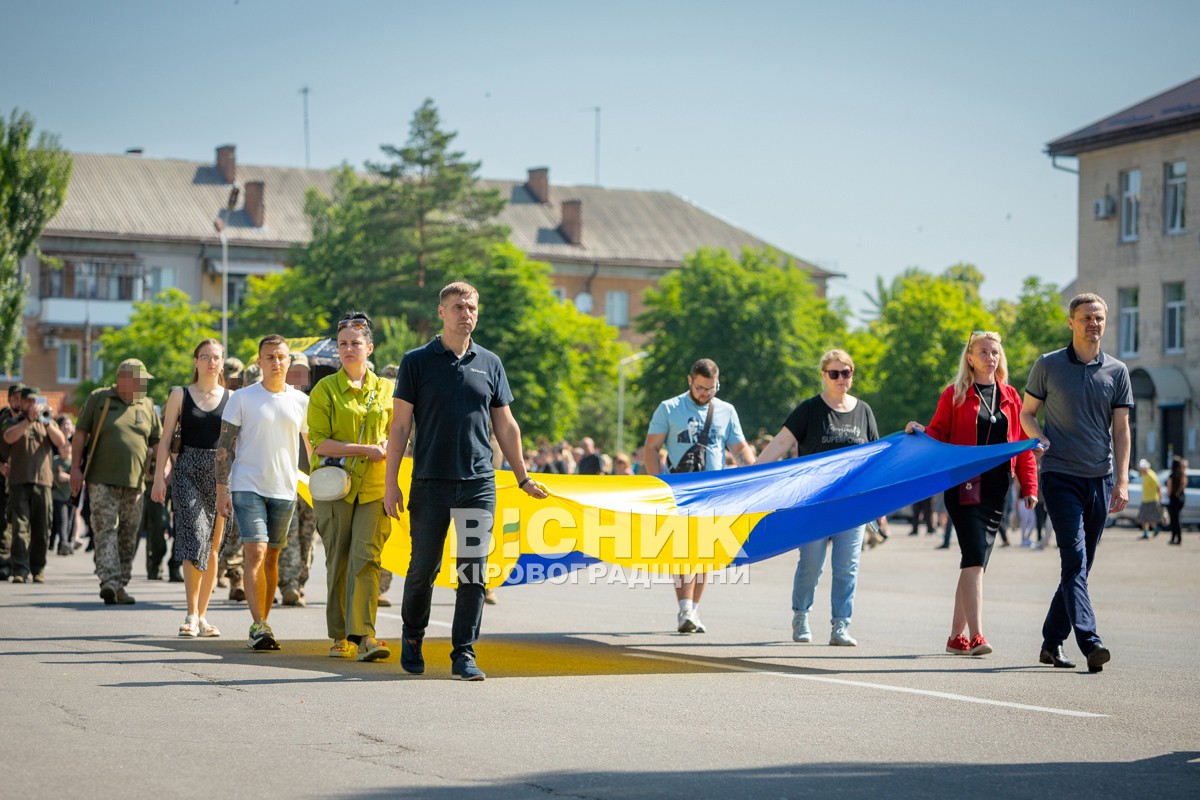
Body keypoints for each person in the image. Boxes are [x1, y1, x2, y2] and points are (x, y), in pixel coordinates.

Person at [384, 282, 548, 681]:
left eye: (471, 307)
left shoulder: (489, 363)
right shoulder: (416, 361)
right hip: (429, 482)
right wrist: (392, 483)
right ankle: (412, 637)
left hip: (478, 483)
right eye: (457, 306)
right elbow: (400, 425)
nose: (465, 313)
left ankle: (464, 654)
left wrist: (522, 476)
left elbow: (506, 425)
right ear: (441, 312)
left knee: (473, 572)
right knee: (423, 568)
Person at [906, 331, 1038, 656]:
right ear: (970, 357)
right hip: (963, 485)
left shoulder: (1010, 396)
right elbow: (939, 431)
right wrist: (922, 432)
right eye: (983, 351)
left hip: (997, 489)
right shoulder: (955, 394)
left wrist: (1029, 486)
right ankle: (978, 635)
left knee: (973, 563)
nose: (990, 357)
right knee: (975, 558)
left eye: (994, 352)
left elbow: (1021, 446)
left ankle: (955, 637)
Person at [1020, 293, 1132, 673]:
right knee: (1074, 557)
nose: (1093, 324)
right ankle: (1090, 640)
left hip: (1099, 479)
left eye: (1099, 317)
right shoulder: (1048, 365)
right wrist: (1039, 437)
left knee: (1080, 567)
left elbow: (1121, 428)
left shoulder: (1117, 371)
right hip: (1060, 475)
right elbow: (1027, 414)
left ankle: (1051, 643)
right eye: (1086, 318)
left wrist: (1121, 479)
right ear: (1071, 322)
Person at [757, 349, 880, 647]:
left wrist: (880, 508)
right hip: (814, 503)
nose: (841, 379)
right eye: (834, 373)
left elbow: (878, 458)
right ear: (823, 375)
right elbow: (781, 444)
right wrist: (753, 476)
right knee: (811, 564)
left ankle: (840, 626)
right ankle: (801, 615)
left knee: (847, 566)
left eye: (846, 372)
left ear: (852, 374)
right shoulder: (810, 409)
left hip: (852, 505)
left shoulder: (863, 411)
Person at [642, 358, 756, 634]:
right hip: (680, 491)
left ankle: (692, 609)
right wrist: (660, 484)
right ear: (690, 381)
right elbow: (651, 449)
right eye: (701, 388)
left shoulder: (726, 411)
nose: (706, 393)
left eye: (712, 388)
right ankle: (685, 609)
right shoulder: (669, 408)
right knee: (683, 552)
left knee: (705, 553)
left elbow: (739, 449)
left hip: (714, 494)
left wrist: (756, 478)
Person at [308, 312, 394, 662]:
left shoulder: (388, 390)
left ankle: (366, 635)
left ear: (369, 347)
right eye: (342, 344)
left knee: (367, 558)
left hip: (375, 487)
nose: (348, 349)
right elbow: (318, 443)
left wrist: (389, 450)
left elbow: (399, 433)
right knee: (339, 560)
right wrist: (364, 449)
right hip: (336, 488)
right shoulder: (325, 389)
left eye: (355, 343)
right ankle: (340, 634)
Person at [215, 335, 310, 651]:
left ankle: (263, 624)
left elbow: (312, 447)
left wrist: (323, 481)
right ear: (259, 362)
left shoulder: (300, 401)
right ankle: (259, 624)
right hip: (247, 487)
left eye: (281, 356)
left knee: (272, 557)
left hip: (284, 489)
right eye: (270, 357)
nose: (276, 362)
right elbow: (224, 447)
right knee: (255, 551)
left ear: (288, 361)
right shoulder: (242, 398)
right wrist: (221, 489)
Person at [151, 339, 230, 638]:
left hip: (220, 474)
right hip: (186, 470)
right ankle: (190, 613)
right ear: (195, 361)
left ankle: (203, 615)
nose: (211, 362)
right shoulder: (179, 395)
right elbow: (166, 436)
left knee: (212, 547)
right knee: (193, 537)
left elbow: (237, 443)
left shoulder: (232, 397)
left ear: (222, 363)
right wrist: (160, 477)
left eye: (217, 357)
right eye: (205, 357)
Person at [70, 359, 163, 605]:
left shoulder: (147, 405)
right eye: (139, 380)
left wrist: (164, 469)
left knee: (128, 534)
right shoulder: (99, 399)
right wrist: (75, 469)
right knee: (105, 529)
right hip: (101, 480)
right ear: (123, 380)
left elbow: (157, 440)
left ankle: (121, 584)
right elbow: (80, 434)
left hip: (135, 484)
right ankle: (109, 581)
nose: (143, 385)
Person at [2, 387, 68, 582]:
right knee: (20, 528)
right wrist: (28, 420)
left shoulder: (47, 421)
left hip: (43, 482)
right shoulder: (14, 422)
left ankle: (38, 568)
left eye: (34, 401)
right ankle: (20, 570)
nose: (31, 405)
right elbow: (9, 437)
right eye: (27, 402)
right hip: (18, 482)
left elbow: (61, 440)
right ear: (22, 403)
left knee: (42, 528)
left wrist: (45, 422)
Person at [279, 350, 317, 607]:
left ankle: (300, 581)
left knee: (308, 536)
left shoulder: (316, 402)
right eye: (295, 371)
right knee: (288, 535)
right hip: (285, 480)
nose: (299, 376)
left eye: (303, 372)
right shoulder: (278, 401)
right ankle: (289, 584)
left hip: (312, 482)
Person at [216, 356, 246, 599]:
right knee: (216, 528)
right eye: (230, 379)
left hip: (240, 472)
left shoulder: (245, 400)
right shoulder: (214, 400)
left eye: (238, 379)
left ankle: (237, 578)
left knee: (236, 528)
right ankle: (214, 568)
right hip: (212, 472)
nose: (234, 384)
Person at [1136, 459, 1162, 540]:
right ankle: (1145, 533)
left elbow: (1158, 487)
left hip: (1152, 499)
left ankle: (1155, 529)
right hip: (1145, 499)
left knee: (1151, 518)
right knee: (1144, 517)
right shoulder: (1144, 475)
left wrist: (1160, 498)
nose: (1140, 470)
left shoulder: (1151, 475)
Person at [1166, 456, 1187, 546]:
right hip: (1181, 498)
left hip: (1173, 498)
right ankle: (1178, 537)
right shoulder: (1182, 474)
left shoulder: (1171, 475)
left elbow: (1169, 489)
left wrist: (1169, 495)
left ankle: (1174, 537)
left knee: (1174, 519)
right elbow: (1183, 485)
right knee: (1178, 518)